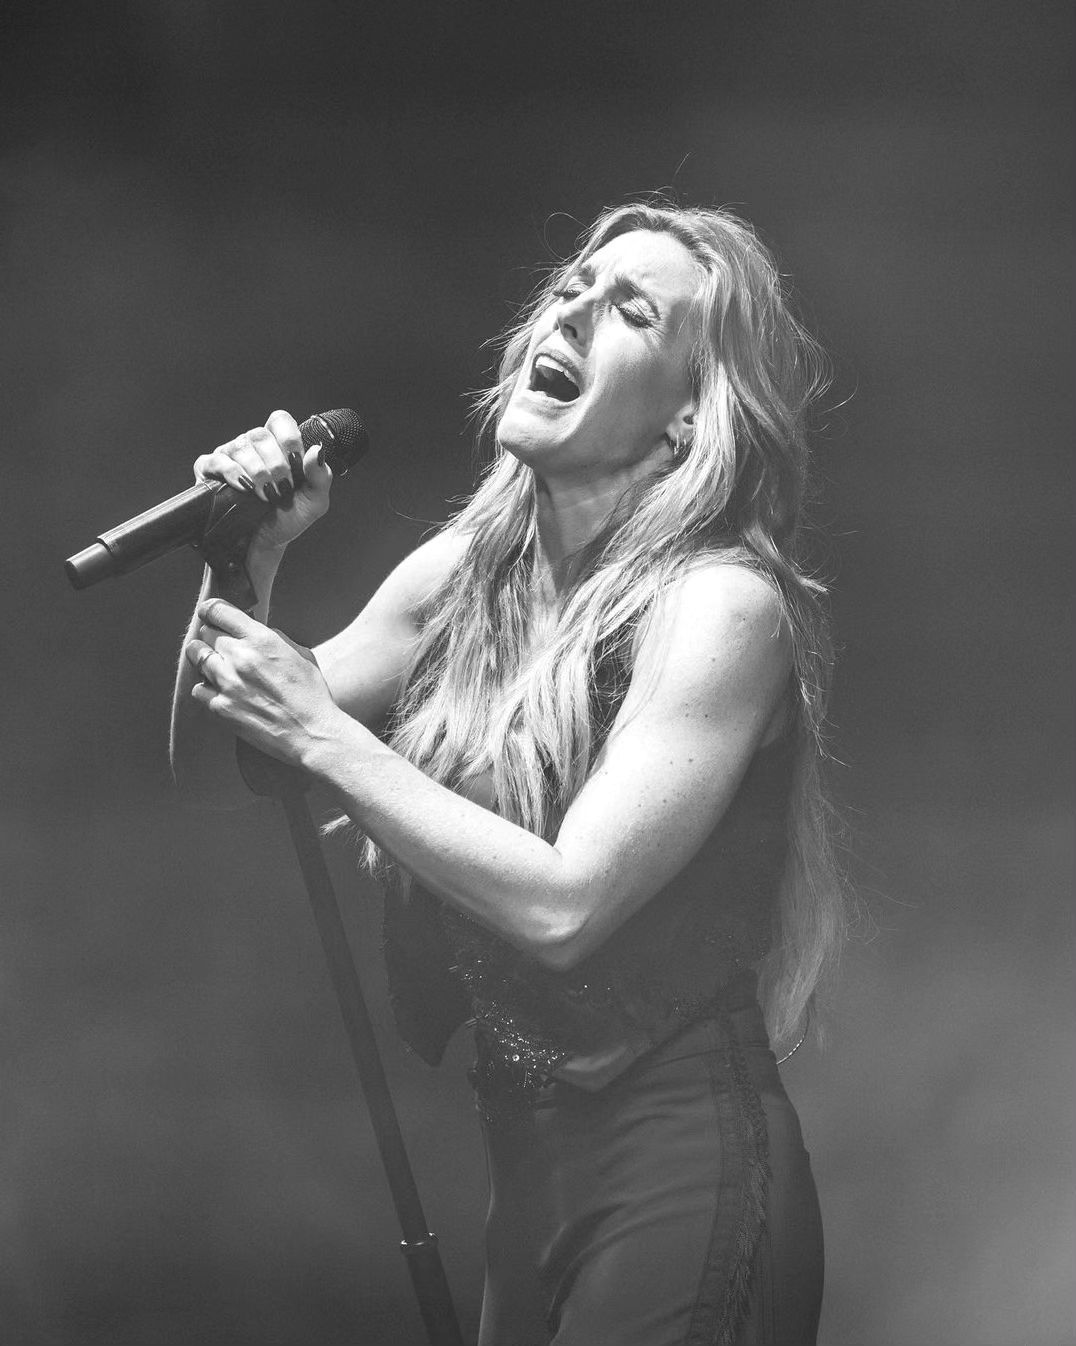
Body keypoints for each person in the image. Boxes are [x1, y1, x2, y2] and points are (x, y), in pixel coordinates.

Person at [170, 201, 846, 1345]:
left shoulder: (719, 607)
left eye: (630, 309)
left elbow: (567, 904)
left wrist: (325, 734)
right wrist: (244, 559)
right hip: (525, 1184)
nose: (574, 309)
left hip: (680, 1170)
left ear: (687, 418)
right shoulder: (458, 580)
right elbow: (221, 750)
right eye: (572, 286)